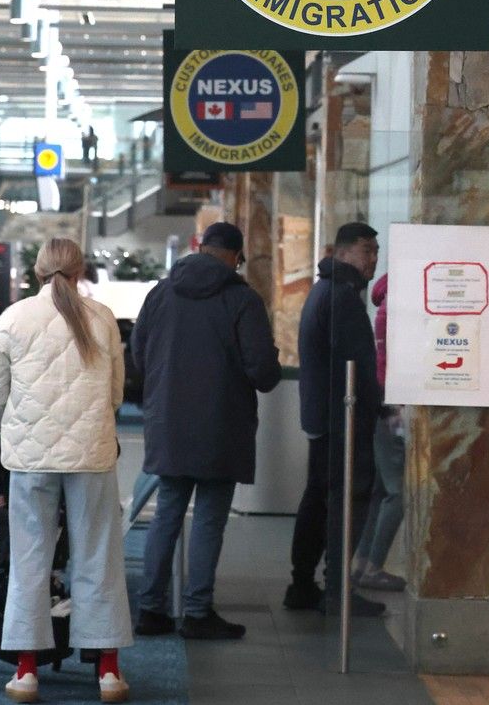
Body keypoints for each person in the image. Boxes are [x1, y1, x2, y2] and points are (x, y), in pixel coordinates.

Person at [0, 237, 132, 705]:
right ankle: (108, 673)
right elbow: (117, 390)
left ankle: (25, 672)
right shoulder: (102, 317)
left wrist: (8, 427)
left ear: (36, 271)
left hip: (30, 458)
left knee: (28, 558)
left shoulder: (14, 317)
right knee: (98, 556)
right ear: (81, 270)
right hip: (92, 455)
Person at [131, 221, 281, 640]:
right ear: (236, 255)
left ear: (201, 247)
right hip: (221, 424)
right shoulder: (242, 299)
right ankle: (197, 612)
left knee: (167, 515)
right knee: (209, 519)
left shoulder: (160, 293)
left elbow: (139, 357)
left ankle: (150, 609)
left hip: (169, 422)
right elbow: (264, 373)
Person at [284, 222, 384, 618]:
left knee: (319, 498)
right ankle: (337, 589)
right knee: (347, 499)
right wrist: (377, 406)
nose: (372, 258)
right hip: (342, 418)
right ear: (342, 253)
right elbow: (355, 367)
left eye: (376, 250)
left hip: (325, 416)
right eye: (365, 250)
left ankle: (303, 584)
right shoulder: (341, 297)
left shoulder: (325, 289)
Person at [352, 273, 406, 592]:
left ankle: (362, 564)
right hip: (390, 401)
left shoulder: (387, 301)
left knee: (380, 490)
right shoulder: (399, 305)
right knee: (398, 491)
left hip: (381, 398)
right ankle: (372, 567)